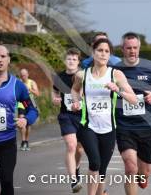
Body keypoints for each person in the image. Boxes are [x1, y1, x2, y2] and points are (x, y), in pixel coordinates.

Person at [71, 38, 137, 195]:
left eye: (107, 51)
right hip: (88, 126)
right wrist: (76, 102)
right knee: (94, 162)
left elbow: (134, 99)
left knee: (102, 169)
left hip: (109, 128)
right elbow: (74, 90)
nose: (103, 54)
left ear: (110, 55)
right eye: (100, 50)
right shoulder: (82, 74)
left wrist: (117, 90)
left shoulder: (116, 74)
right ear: (93, 53)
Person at [114, 32, 151, 195]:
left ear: (139, 48)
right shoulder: (115, 70)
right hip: (124, 126)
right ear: (122, 49)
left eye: (135, 48)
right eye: (128, 48)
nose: (132, 51)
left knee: (144, 172)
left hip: (147, 126)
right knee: (130, 167)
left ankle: (143, 175)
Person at [0, 45, 38, 195]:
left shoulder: (18, 86)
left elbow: (33, 109)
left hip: (7, 141)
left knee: (7, 181)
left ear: (8, 59)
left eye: (3, 56)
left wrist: (26, 120)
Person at [52, 48, 84, 193]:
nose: (71, 61)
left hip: (82, 116)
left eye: (74, 59)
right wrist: (55, 98)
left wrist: (81, 99)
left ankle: (76, 168)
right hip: (66, 116)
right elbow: (55, 91)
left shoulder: (83, 76)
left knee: (80, 149)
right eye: (69, 59)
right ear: (65, 61)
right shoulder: (59, 77)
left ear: (78, 62)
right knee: (71, 146)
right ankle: (73, 181)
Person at [17, 68, 40, 151]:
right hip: (22, 103)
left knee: (28, 124)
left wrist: (29, 89)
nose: (23, 77)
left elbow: (37, 93)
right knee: (21, 120)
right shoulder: (18, 83)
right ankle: (23, 141)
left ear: (27, 75)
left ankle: (26, 140)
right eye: (22, 75)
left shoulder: (31, 82)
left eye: (24, 75)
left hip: (30, 103)